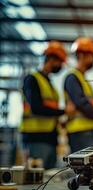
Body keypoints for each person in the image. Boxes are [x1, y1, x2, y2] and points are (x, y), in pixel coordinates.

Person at [20, 41, 74, 169]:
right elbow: (36, 108)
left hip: (49, 137)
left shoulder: (48, 82)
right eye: (60, 62)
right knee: (36, 178)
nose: (60, 66)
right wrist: (64, 111)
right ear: (51, 59)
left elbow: (50, 109)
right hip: (36, 138)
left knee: (47, 179)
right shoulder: (32, 79)